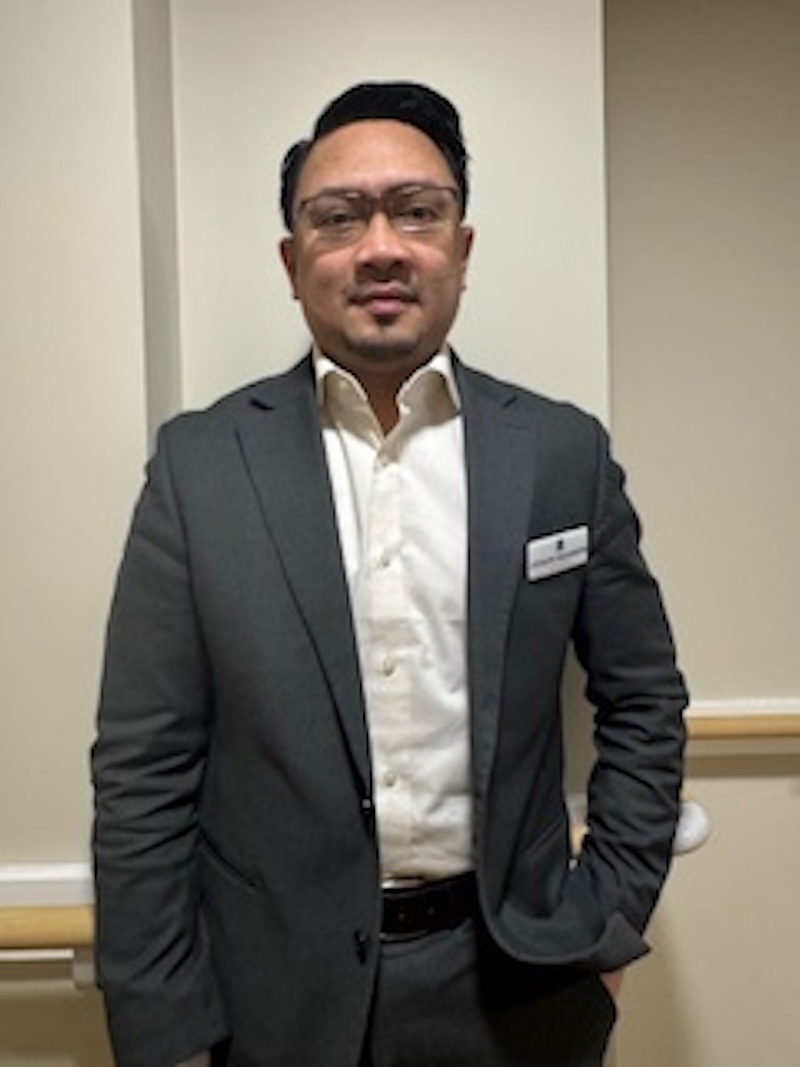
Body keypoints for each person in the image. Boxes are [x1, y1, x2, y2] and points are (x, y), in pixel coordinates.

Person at [91, 81, 687, 1067]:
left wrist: (603, 919)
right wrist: (164, 1030)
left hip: (522, 988)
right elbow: (141, 770)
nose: (380, 245)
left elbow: (644, 700)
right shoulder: (198, 470)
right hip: (272, 1001)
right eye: (338, 217)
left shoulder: (558, 452)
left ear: (461, 246)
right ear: (292, 262)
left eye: (416, 211)